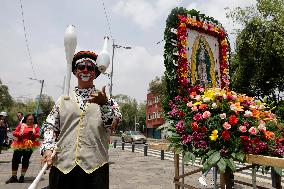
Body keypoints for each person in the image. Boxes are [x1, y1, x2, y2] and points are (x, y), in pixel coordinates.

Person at [41, 50, 122, 189]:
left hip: (95, 169)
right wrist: (48, 148)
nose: (85, 70)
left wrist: (104, 105)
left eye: (90, 67)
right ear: (74, 71)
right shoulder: (62, 100)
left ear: (95, 73)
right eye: (81, 67)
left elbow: (113, 124)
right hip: (62, 167)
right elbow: (50, 126)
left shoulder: (108, 100)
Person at [6, 114, 41, 183]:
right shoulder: (21, 125)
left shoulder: (36, 126)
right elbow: (14, 132)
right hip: (19, 144)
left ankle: (22, 176)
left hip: (29, 145)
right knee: (15, 160)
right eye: (29, 119)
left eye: (32, 119)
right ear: (26, 119)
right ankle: (14, 176)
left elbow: (39, 134)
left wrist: (33, 135)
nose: (31, 121)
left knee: (25, 160)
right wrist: (19, 134)